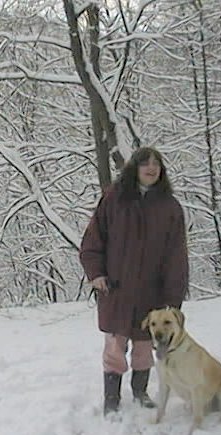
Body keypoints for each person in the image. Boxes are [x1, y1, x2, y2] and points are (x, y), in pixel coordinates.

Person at [79, 146, 189, 416]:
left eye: (156, 164)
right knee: (115, 348)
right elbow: (93, 241)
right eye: (145, 164)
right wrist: (97, 274)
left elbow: (177, 255)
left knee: (144, 348)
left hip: (153, 294)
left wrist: (173, 298)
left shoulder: (170, 207)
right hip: (116, 289)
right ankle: (111, 399)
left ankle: (140, 391)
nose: (151, 169)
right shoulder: (114, 199)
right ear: (134, 168)